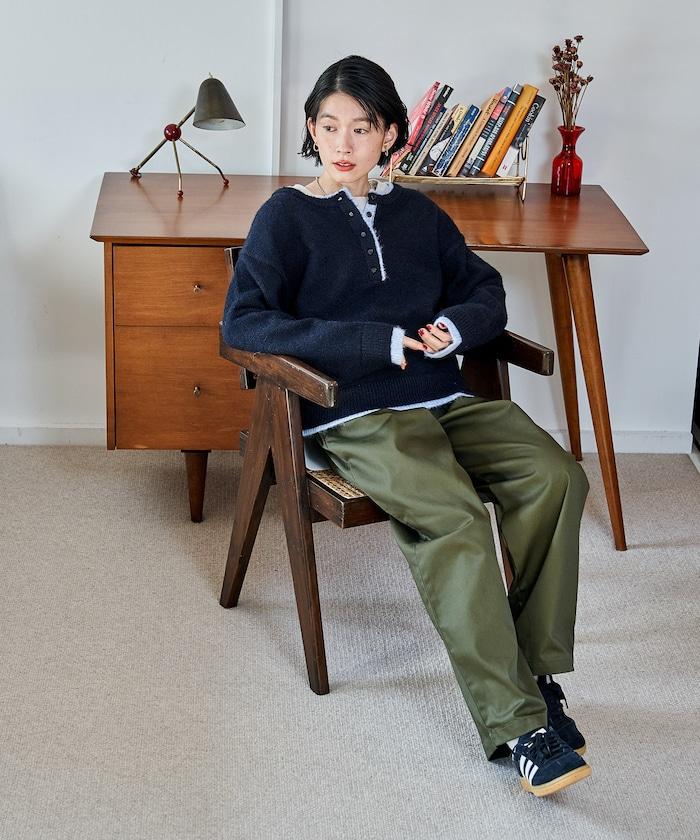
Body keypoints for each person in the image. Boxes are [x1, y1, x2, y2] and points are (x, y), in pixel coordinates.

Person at [222, 55, 592, 797]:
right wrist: (374, 343)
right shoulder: (284, 218)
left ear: (390, 134)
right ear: (311, 129)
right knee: (455, 517)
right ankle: (517, 723)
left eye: (361, 128)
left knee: (555, 477)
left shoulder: (419, 215)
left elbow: (483, 291)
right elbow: (245, 322)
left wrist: (455, 328)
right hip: (356, 412)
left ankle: (534, 671)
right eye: (329, 125)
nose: (343, 142)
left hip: (444, 397)